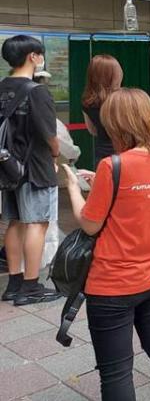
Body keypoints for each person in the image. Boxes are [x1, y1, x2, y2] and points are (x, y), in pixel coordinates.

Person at [62, 88, 150, 400]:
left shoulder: (112, 166)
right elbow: (140, 201)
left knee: (116, 371)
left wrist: (74, 187)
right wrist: (101, 182)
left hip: (112, 285)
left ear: (115, 125)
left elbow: (90, 223)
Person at [0, 35, 61, 306]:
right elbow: (50, 136)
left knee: (14, 222)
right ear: (33, 57)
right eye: (40, 54)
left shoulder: (2, 88)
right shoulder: (37, 91)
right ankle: (31, 287)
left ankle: (14, 284)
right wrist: (56, 154)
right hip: (35, 167)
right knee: (37, 222)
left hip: (8, 167)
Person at [81, 54, 122, 166]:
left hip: (102, 155)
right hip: (124, 154)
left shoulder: (87, 102)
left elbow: (92, 130)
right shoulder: (122, 99)